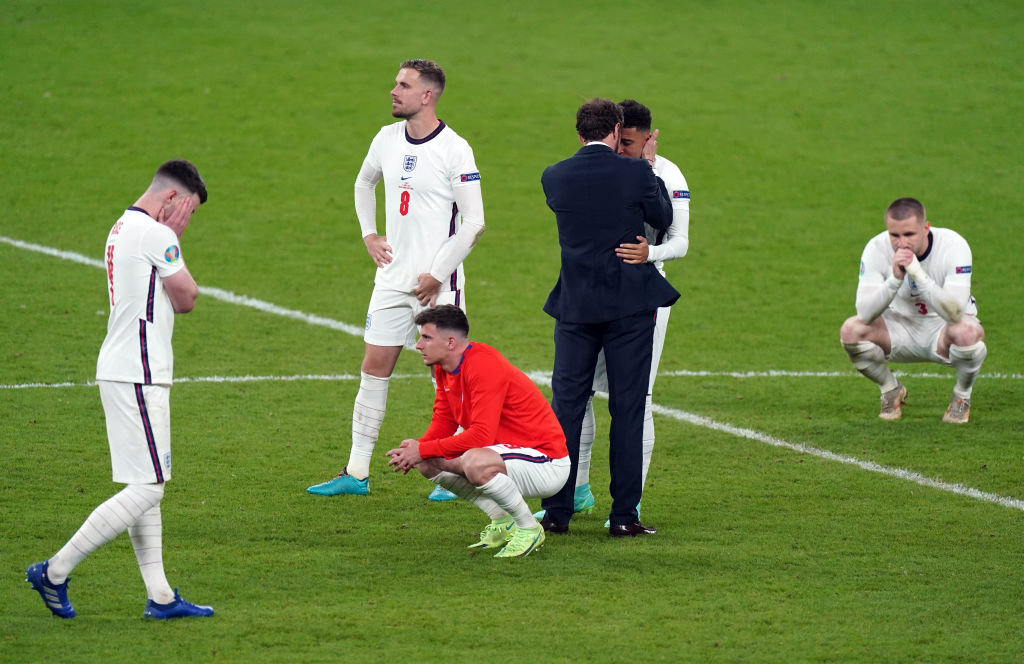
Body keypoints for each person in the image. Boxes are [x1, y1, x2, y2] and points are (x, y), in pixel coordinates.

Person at [26, 160, 213, 619]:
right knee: (148, 489)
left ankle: (161, 597)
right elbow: (186, 298)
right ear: (172, 199)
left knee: (143, 482)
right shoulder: (157, 234)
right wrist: (175, 240)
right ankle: (54, 571)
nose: (186, 219)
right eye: (188, 209)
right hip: (140, 370)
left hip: (120, 366)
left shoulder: (120, 225)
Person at [307, 59, 485, 499]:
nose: (393, 91)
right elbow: (364, 183)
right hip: (390, 279)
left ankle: (456, 471)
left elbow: (474, 223)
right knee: (374, 368)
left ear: (427, 95)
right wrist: (369, 234)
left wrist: (437, 274)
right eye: (395, 83)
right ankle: (356, 473)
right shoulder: (386, 138)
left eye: (403, 85)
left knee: (450, 377)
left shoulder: (455, 149)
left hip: (438, 285)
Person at [539, 98, 679, 538]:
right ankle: (623, 517)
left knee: (566, 407)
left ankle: (557, 512)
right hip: (629, 307)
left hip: (576, 307)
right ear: (617, 130)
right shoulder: (637, 172)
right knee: (628, 408)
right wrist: (650, 170)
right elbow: (663, 217)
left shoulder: (555, 176)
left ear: (578, 134)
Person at [385, 305, 569, 558]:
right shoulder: (444, 368)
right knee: (427, 462)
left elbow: (481, 435)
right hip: (505, 456)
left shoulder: (483, 365)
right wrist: (417, 451)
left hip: (546, 462)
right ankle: (501, 520)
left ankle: (528, 528)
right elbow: (444, 419)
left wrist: (423, 449)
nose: (418, 345)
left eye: (426, 337)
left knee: (474, 461)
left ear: (451, 342)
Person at [840, 197, 986, 422]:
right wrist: (894, 280)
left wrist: (917, 273)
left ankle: (962, 396)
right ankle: (890, 389)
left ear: (925, 228)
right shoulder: (876, 248)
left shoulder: (954, 246)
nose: (901, 243)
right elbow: (865, 313)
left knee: (967, 332)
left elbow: (955, 314)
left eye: (909, 235)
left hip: (942, 330)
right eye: (894, 235)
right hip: (899, 328)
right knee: (851, 330)